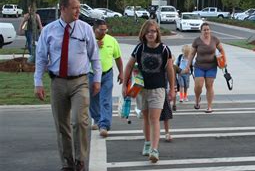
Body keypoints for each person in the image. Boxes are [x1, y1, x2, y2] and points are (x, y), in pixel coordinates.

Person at [34, 0, 101, 171]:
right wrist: (38, 82)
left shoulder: (85, 29)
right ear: (63, 9)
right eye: (74, 8)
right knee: (61, 124)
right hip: (57, 82)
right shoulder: (49, 31)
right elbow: (40, 58)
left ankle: (80, 160)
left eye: (79, 7)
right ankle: (67, 163)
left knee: (79, 121)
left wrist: (97, 79)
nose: (78, 11)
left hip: (80, 81)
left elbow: (94, 57)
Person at [122, 20, 175, 163]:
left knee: (154, 119)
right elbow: (128, 66)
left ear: (158, 33)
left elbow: (170, 70)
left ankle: (154, 149)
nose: (151, 34)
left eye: (154, 31)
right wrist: (124, 85)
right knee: (146, 118)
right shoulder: (140, 48)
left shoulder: (164, 49)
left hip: (158, 88)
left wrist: (172, 89)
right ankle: (147, 142)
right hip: (141, 89)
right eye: (148, 31)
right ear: (143, 34)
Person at [89, 20, 123, 138]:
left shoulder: (112, 40)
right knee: (92, 100)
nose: (103, 32)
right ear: (95, 30)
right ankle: (98, 119)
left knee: (105, 100)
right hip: (91, 74)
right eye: (101, 30)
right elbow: (80, 57)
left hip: (107, 74)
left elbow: (118, 58)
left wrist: (121, 73)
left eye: (105, 30)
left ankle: (104, 126)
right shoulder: (88, 40)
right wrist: (93, 47)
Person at [183, 22, 226, 113]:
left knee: (209, 86)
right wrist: (187, 66)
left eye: (208, 29)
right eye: (204, 30)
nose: (206, 31)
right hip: (199, 66)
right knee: (198, 85)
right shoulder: (197, 41)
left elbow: (221, 49)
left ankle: (209, 106)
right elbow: (192, 54)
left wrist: (224, 60)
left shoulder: (215, 39)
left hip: (212, 66)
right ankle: (197, 98)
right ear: (201, 31)